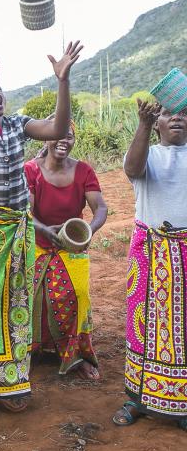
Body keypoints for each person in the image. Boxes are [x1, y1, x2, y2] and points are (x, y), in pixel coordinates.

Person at [0, 40, 81, 412]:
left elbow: (58, 127)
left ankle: (11, 382)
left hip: (18, 227)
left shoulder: (17, 124)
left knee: (17, 303)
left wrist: (62, 81)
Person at [113, 99, 187, 431]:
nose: (179, 119)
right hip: (151, 250)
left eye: (185, 113)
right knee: (142, 329)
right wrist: (142, 126)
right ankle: (137, 399)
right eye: (171, 113)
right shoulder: (147, 154)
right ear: (157, 122)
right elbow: (131, 169)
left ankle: (181, 403)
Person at [25, 123, 107, 379]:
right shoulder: (30, 170)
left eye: (69, 136)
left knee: (78, 295)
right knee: (31, 297)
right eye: (57, 135)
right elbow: (25, 211)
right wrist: (45, 229)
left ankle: (78, 354)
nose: (63, 140)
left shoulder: (83, 171)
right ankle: (32, 349)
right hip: (38, 243)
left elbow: (101, 208)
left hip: (72, 243)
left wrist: (88, 231)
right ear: (47, 138)